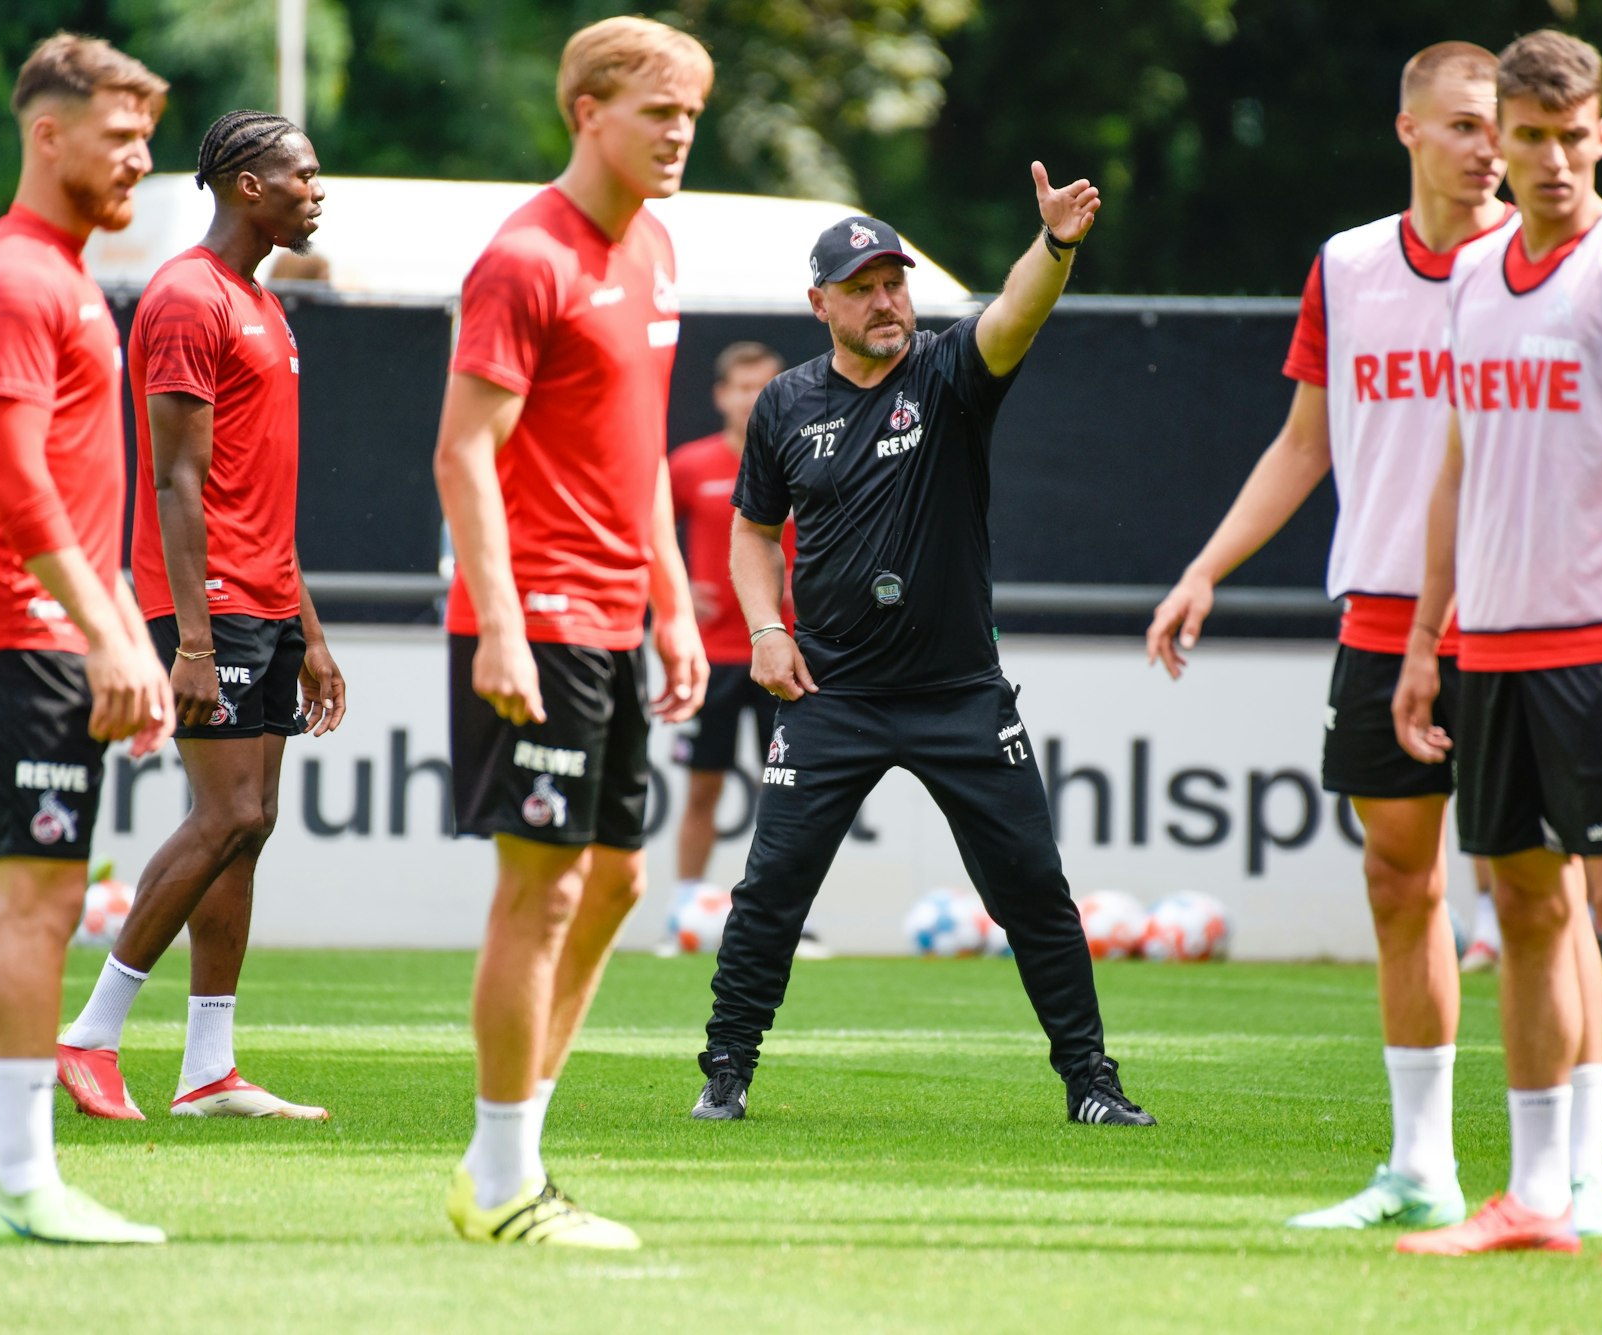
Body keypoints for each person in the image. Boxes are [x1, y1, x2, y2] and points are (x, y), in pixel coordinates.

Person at [1146, 41, 1602, 1236]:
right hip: (1375, 613)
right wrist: (1206, 566)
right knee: (1395, 880)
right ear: (1407, 130)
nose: (1486, 149)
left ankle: (1581, 1176)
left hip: (1521, 616)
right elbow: (1305, 440)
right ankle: (1418, 1166)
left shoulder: (1549, 267)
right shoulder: (1348, 265)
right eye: (1465, 125)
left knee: (1540, 894)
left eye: (1496, 127)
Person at [690, 177, 1157, 1130]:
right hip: (832, 692)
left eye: (894, 280)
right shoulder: (783, 403)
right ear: (821, 303)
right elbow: (753, 531)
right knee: (771, 889)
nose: (886, 299)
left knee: (1033, 889)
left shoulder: (947, 375)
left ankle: (1092, 1085)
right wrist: (766, 629)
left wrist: (1054, 244)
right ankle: (726, 1071)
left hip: (958, 695)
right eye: (862, 286)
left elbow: (1014, 314)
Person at [1392, 30, 1602, 1269]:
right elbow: (1455, 461)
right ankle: (1534, 1194)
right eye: (1518, 134)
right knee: (1523, 906)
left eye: (1563, 134)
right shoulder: (1477, 277)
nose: (1539, 158)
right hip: (1486, 645)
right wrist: (1427, 634)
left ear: (1600, 132)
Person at [433, 16, 712, 1250]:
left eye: (692, 115)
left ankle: (512, 1157)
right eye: (660, 112)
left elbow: (639, 449)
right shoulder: (523, 257)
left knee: (616, 880)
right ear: (586, 111)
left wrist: (675, 602)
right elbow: (461, 453)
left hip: (610, 616)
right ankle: (500, 1179)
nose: (679, 135)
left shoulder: (653, 247)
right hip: (533, 616)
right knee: (539, 893)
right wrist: (497, 623)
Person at [0, 32, 175, 1246]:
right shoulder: (15, 279)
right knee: (38, 911)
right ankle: (24, 1182)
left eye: (147, 138)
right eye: (120, 138)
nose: (140, 161)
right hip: (19, 630)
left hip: (27, 628)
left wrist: (119, 631)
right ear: (46, 133)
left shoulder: (58, 275)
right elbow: (14, 488)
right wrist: (107, 636)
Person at [56, 110, 344, 1123]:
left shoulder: (261, 304)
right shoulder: (184, 297)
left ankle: (208, 1071)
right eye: (302, 174)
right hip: (208, 604)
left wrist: (307, 631)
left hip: (263, 600)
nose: (319, 189)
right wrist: (192, 639)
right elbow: (175, 484)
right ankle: (87, 1036)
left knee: (248, 828)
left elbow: (261, 490)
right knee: (227, 813)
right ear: (246, 184)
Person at [660, 342, 828, 959]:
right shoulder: (689, 463)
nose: (751, 398)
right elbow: (648, 534)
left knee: (789, 792)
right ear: (720, 395)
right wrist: (675, 594)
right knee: (702, 788)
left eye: (764, 385)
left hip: (787, 653)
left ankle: (788, 921)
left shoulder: (810, 453)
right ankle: (682, 914)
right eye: (740, 386)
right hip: (711, 657)